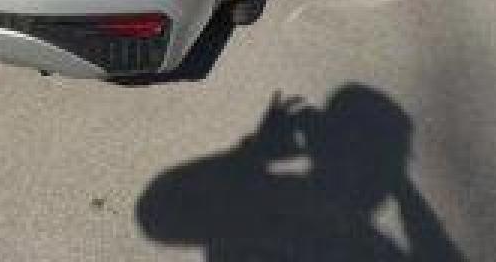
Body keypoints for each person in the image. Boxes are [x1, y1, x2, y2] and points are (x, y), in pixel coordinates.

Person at [136, 86, 461, 261]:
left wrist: (253, 153)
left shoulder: (253, 220)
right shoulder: (348, 236)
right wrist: (399, 184)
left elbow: (158, 211)